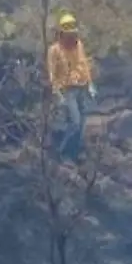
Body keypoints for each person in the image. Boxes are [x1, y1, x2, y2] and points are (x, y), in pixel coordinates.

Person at [46, 13, 96, 160]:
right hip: (67, 90)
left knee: (82, 123)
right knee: (75, 122)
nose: (71, 37)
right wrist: (57, 93)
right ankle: (61, 151)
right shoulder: (54, 50)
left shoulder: (78, 45)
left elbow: (83, 64)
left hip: (81, 87)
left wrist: (90, 84)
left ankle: (74, 152)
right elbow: (51, 73)